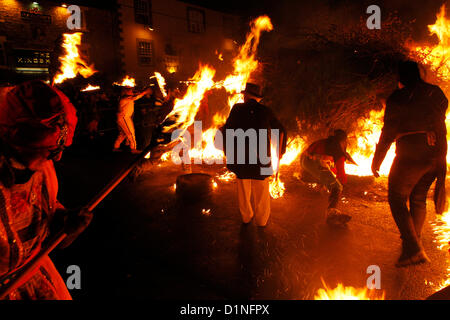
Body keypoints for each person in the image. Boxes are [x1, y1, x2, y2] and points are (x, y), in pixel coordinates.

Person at [0, 80, 92, 300]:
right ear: (18, 142)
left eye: (59, 149)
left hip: (34, 274)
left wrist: (66, 224)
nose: (56, 158)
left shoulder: (43, 168)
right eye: (49, 150)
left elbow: (46, 222)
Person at [372, 60, 448, 267]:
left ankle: (413, 248)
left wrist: (377, 159)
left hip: (410, 155)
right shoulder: (436, 93)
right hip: (436, 153)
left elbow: (388, 133)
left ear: (401, 78)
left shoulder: (398, 98)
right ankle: (413, 245)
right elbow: (440, 125)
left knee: (396, 197)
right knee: (418, 199)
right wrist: (442, 161)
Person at [220, 83, 286, 227]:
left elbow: (227, 129)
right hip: (261, 157)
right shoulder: (265, 111)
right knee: (261, 189)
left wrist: (228, 153)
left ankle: (246, 217)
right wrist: (280, 152)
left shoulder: (236, 109)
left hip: (240, 156)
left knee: (243, 189)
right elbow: (280, 130)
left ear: (245, 96)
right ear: (258, 98)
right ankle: (262, 221)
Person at [299, 130, 355, 226]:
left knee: (330, 177)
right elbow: (341, 172)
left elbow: (330, 166)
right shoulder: (337, 150)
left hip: (305, 160)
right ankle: (331, 214)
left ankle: (321, 188)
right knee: (337, 186)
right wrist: (343, 184)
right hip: (312, 162)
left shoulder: (328, 142)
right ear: (343, 141)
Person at [113, 86, 151, 153]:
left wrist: (142, 91)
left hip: (124, 118)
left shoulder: (127, 97)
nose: (132, 91)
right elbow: (135, 97)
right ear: (126, 91)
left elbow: (135, 95)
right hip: (124, 118)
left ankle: (115, 147)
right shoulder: (125, 98)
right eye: (130, 90)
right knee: (131, 132)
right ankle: (133, 148)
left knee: (123, 133)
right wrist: (144, 92)